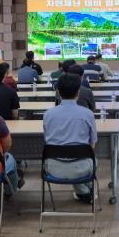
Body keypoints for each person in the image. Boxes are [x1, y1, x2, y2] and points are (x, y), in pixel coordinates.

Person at [43, 73, 98, 203]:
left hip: (53, 168)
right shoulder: (88, 114)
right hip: (82, 167)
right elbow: (93, 144)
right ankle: (86, 191)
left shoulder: (48, 115)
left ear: (58, 92)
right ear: (78, 92)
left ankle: (84, 192)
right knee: (90, 158)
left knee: (72, 155)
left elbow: (47, 140)